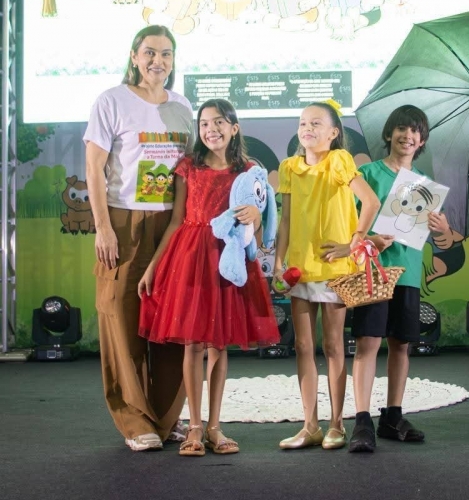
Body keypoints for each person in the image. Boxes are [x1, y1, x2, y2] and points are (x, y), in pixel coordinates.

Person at [138, 99, 281, 456]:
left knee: (219, 345)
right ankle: (195, 428)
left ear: (234, 128)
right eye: (204, 123)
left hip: (226, 259)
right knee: (193, 344)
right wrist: (154, 265)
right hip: (190, 258)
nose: (211, 129)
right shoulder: (189, 166)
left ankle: (216, 427)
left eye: (219, 122)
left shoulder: (248, 171)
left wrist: (255, 216)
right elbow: (175, 220)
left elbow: (260, 226)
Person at [84, 25, 191, 452]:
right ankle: (134, 419)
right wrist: (103, 227)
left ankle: (164, 419)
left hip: (171, 224)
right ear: (133, 56)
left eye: (166, 54)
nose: (157, 62)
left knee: (169, 322)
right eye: (149, 53)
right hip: (123, 220)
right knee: (120, 315)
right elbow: (94, 170)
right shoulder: (111, 101)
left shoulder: (183, 107)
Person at [273, 100, 380, 450]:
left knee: (334, 345)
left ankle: (337, 425)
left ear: (334, 133)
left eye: (317, 123)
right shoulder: (289, 167)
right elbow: (286, 219)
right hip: (299, 269)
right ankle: (310, 426)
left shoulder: (339, 161)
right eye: (303, 122)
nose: (308, 128)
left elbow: (371, 202)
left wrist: (353, 245)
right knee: (302, 346)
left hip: (334, 270)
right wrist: (278, 260)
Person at [348, 105, 450, 453]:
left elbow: (439, 235)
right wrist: (367, 240)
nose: (408, 136)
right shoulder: (367, 172)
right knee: (368, 343)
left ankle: (392, 415)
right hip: (372, 270)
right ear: (389, 134)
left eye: (415, 131)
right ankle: (362, 420)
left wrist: (441, 227)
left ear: (422, 140)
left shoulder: (424, 186)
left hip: (406, 273)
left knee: (401, 344)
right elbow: (347, 221)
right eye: (401, 129)